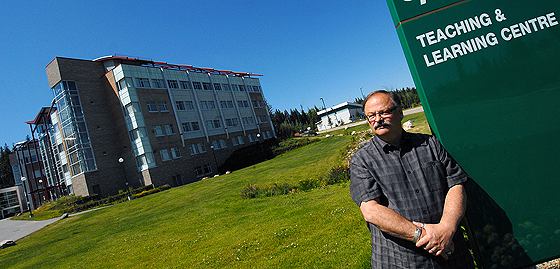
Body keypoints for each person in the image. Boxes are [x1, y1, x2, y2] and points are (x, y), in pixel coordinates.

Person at [349, 90, 474, 268]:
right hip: (402, 261)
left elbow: (456, 184)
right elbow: (371, 211)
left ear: (400, 112)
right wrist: (424, 236)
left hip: (451, 254)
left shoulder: (430, 144)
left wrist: (446, 228)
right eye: (371, 116)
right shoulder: (361, 161)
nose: (378, 119)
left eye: (384, 112)